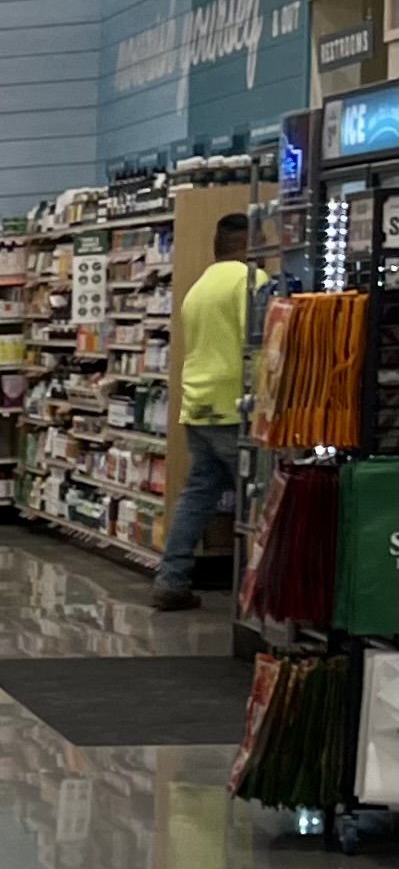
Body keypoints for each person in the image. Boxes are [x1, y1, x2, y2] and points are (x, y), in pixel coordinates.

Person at [154, 210, 254, 611]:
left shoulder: (198, 288)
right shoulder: (250, 282)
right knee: (258, 501)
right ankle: (257, 593)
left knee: (197, 495)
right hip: (237, 407)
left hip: (198, 404)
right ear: (248, 244)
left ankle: (171, 579)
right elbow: (261, 344)